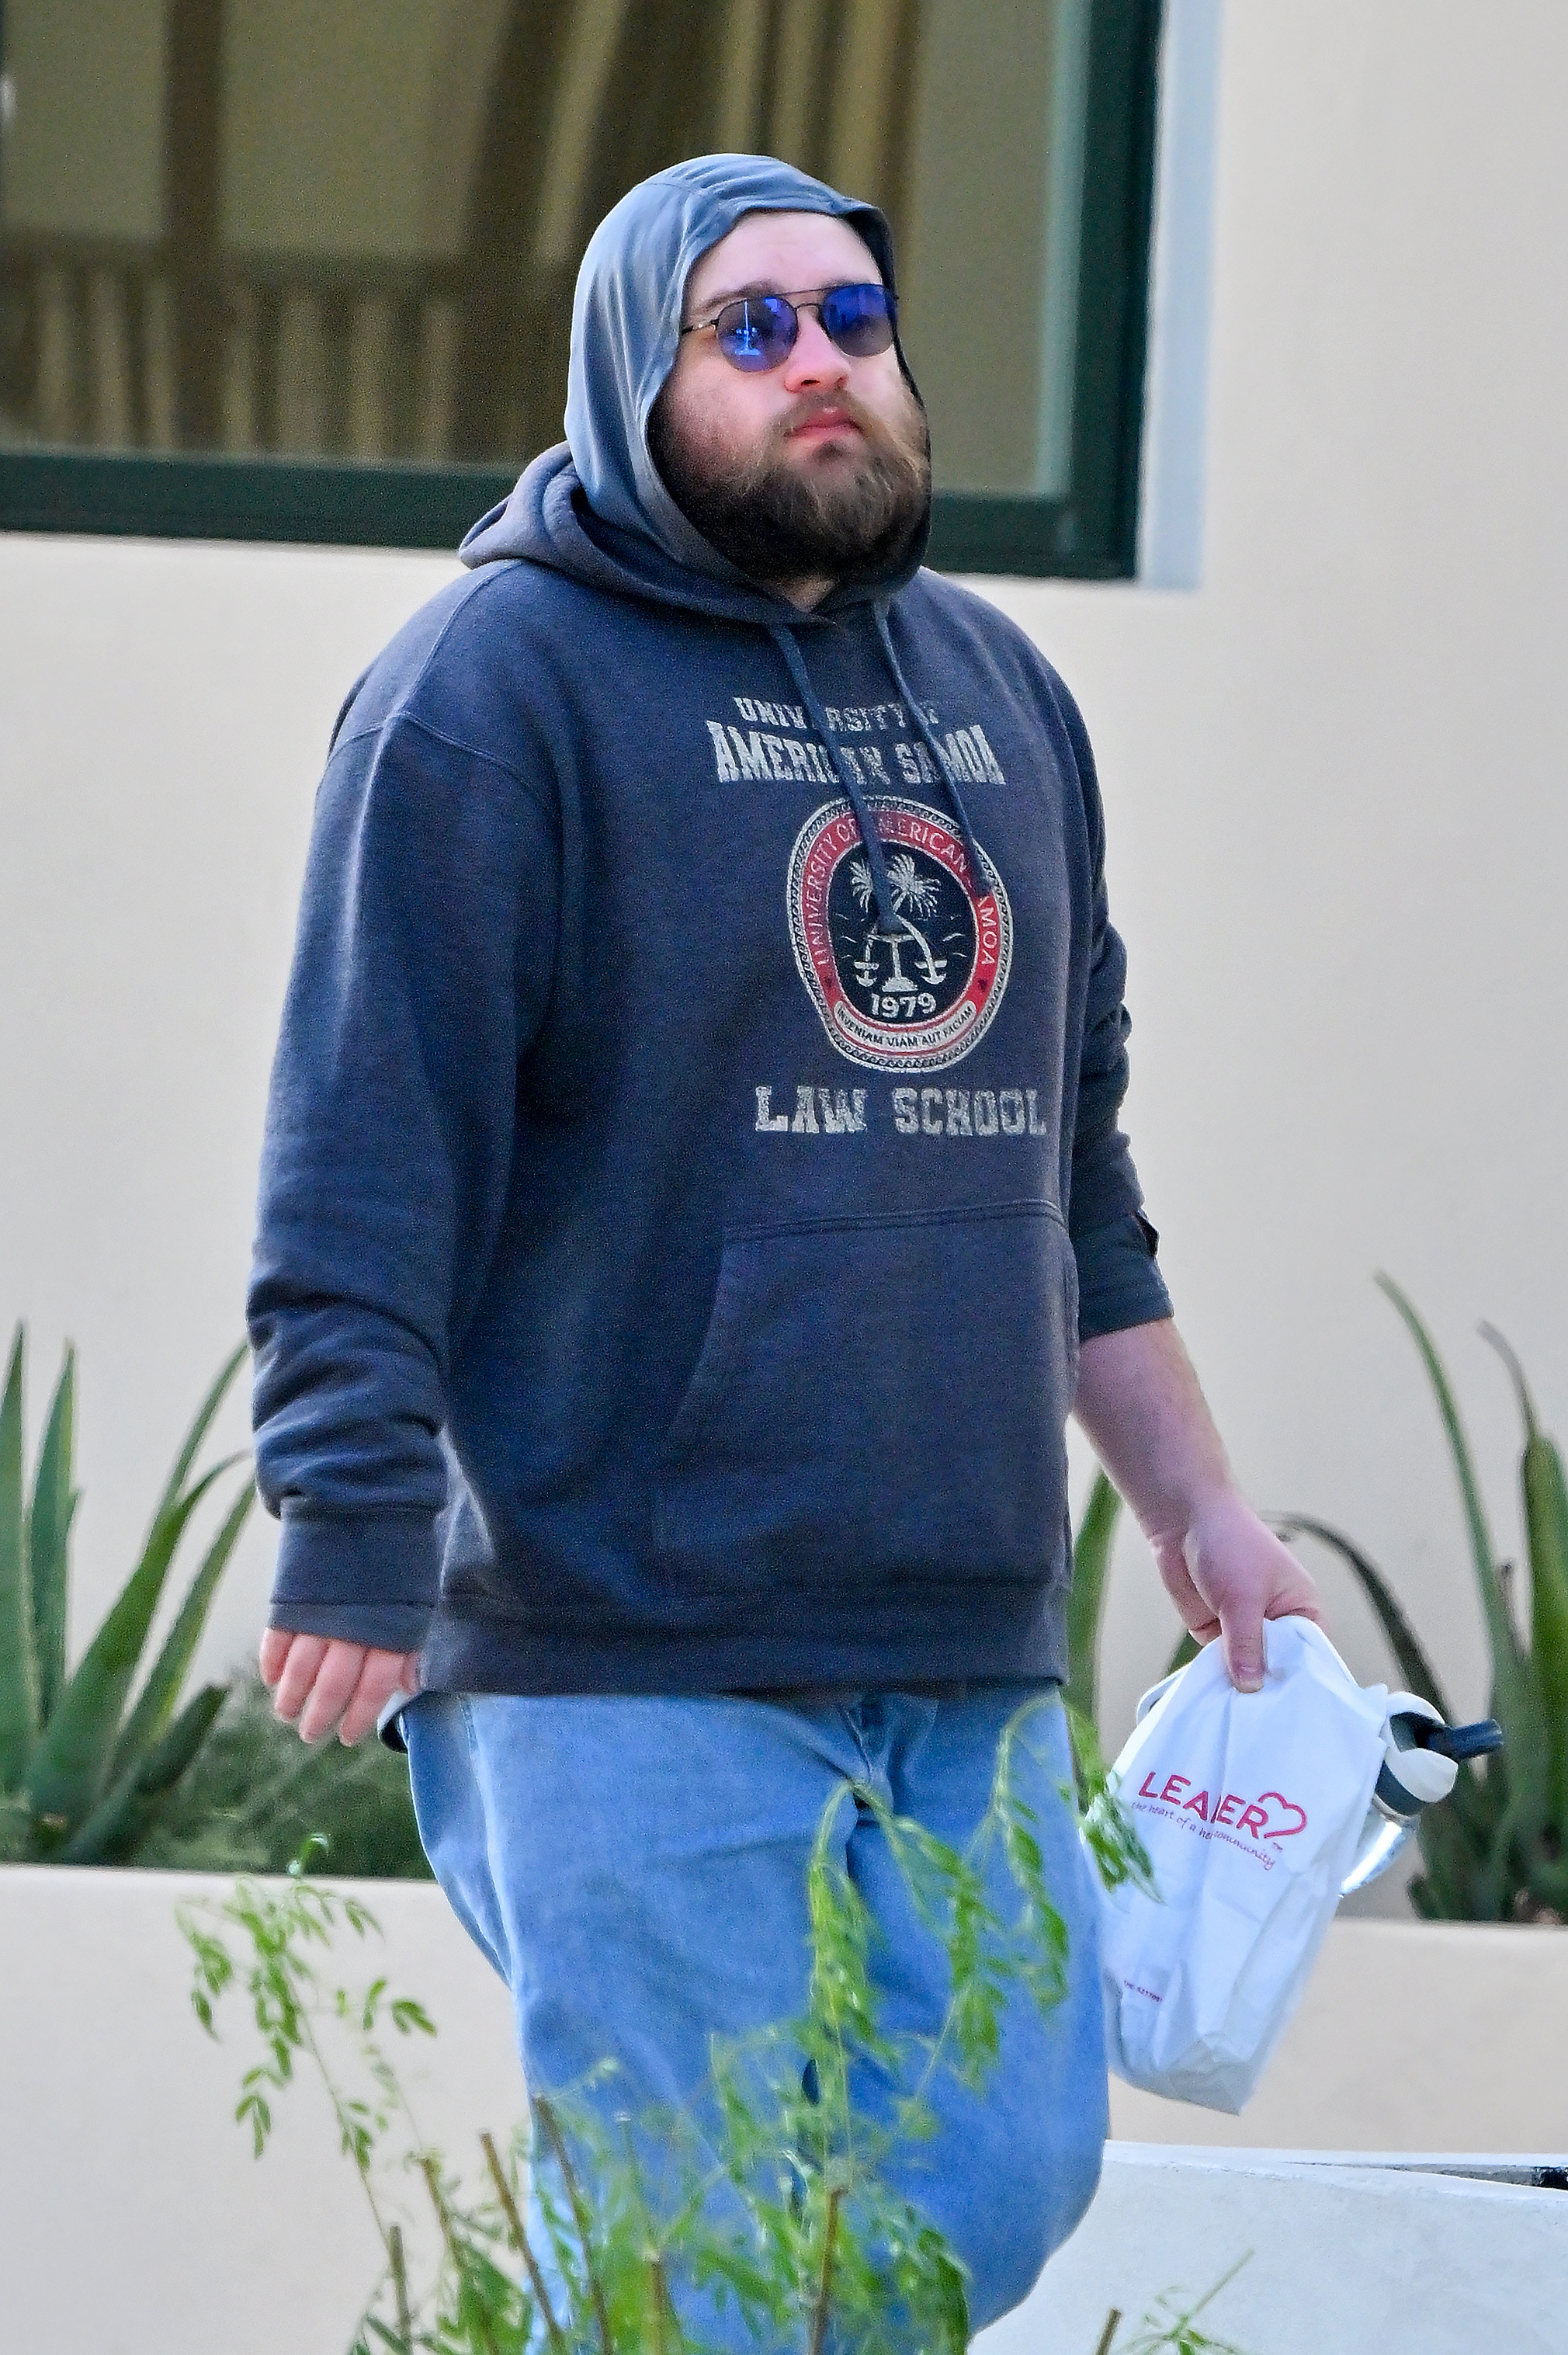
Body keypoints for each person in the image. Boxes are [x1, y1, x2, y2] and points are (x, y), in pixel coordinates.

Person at [252, 154, 1320, 2338]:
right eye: (747, 328)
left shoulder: (1003, 698)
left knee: (1002, 2181)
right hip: (615, 1632)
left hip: (961, 1629)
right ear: (632, 379)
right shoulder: (487, 693)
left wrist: (1193, 1495)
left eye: (851, 317)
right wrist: (349, 1513)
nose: (817, 360)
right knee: (699, 2264)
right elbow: (369, 1145)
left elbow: (1067, 1166)